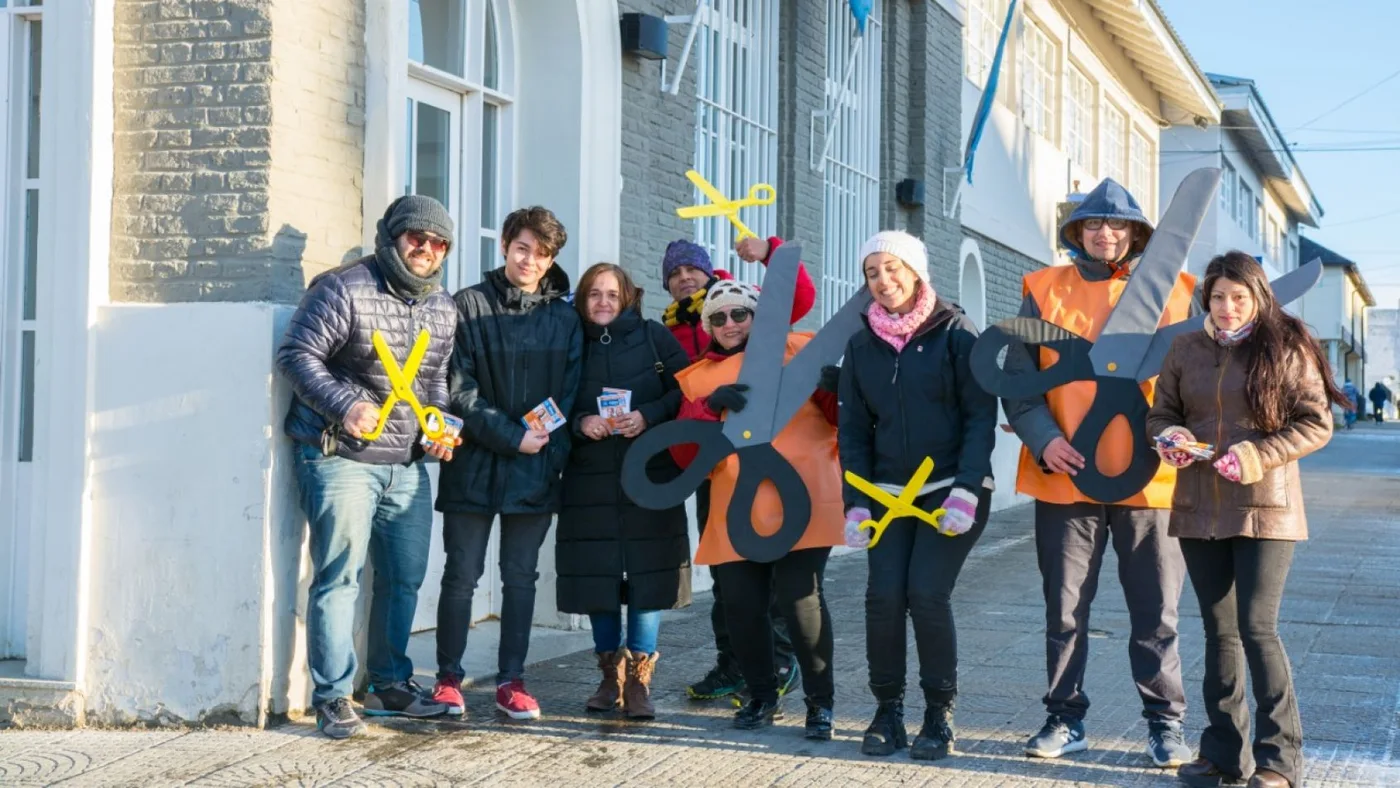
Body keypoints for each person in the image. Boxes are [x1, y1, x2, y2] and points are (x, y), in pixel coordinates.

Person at [1003, 178, 1193, 767]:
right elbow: (1017, 378)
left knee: (1156, 611)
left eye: (1117, 226)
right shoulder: (1042, 287)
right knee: (1063, 609)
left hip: (1152, 478)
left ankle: (1166, 724)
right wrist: (1043, 438)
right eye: (1093, 225)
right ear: (1076, 232)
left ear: (1136, 234)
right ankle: (1065, 718)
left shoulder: (1182, 292)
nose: (1105, 234)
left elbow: (1196, 381)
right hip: (1065, 476)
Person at [1149, 251, 1343, 788]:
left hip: (1266, 508)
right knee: (1218, 632)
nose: (1228, 307)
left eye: (1239, 297)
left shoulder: (1286, 345)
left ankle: (1279, 760)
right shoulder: (1184, 347)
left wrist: (1256, 455)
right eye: (1217, 297)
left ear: (1257, 296)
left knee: (1257, 629)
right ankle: (1222, 756)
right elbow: (1161, 412)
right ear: (1205, 298)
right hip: (1198, 505)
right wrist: (1170, 438)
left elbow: (1315, 423)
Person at [276, 195, 458, 738]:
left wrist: (441, 424)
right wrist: (345, 404)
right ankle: (332, 695)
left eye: (437, 242)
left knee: (404, 579)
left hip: (407, 464)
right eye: (415, 238)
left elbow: (435, 384)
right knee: (340, 577)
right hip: (339, 458)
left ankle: (389, 684)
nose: (425, 249)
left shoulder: (441, 306)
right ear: (393, 236)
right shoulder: (344, 287)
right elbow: (296, 355)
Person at [837, 231, 998, 760]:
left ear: (916, 270)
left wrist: (967, 490)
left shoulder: (956, 334)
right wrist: (855, 502)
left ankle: (938, 713)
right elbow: (854, 430)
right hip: (885, 493)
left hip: (950, 490)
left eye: (891, 268)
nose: (882, 281)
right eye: (871, 273)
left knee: (926, 594)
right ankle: (887, 711)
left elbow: (980, 419)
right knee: (883, 598)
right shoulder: (861, 345)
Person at [669, 278, 843, 739]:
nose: (729, 323)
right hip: (736, 504)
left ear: (756, 316)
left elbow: (844, 417)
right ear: (708, 325)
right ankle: (761, 696)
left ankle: (820, 703)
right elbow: (685, 456)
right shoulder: (697, 378)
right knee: (742, 608)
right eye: (718, 317)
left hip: (802, 497)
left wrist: (836, 389)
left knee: (801, 601)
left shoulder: (798, 349)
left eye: (739, 313)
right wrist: (707, 408)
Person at [432, 206, 583, 721]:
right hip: (473, 463)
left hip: (535, 469)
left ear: (551, 259)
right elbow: (460, 389)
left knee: (520, 579)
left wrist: (545, 451)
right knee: (461, 575)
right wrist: (511, 437)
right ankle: (448, 679)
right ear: (504, 246)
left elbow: (568, 391)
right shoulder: (468, 305)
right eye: (522, 248)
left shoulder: (564, 318)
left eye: (542, 254)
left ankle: (511, 681)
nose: (530, 260)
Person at [661, 236, 812, 702]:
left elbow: (799, 297)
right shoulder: (670, 329)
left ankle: (781, 661)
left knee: (774, 565)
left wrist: (769, 252)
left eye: (693, 269)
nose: (685, 277)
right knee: (729, 574)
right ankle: (734, 663)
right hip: (713, 462)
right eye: (675, 273)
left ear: (710, 273)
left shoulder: (744, 306)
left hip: (770, 459)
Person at [556, 263, 692, 720]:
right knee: (599, 576)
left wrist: (648, 416)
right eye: (594, 294)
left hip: (648, 474)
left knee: (648, 577)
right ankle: (608, 676)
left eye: (612, 294)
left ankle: (639, 681)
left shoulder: (655, 336)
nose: (603, 302)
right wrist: (581, 422)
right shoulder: (570, 340)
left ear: (629, 297)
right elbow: (551, 401)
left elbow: (686, 390)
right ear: (582, 299)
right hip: (588, 477)